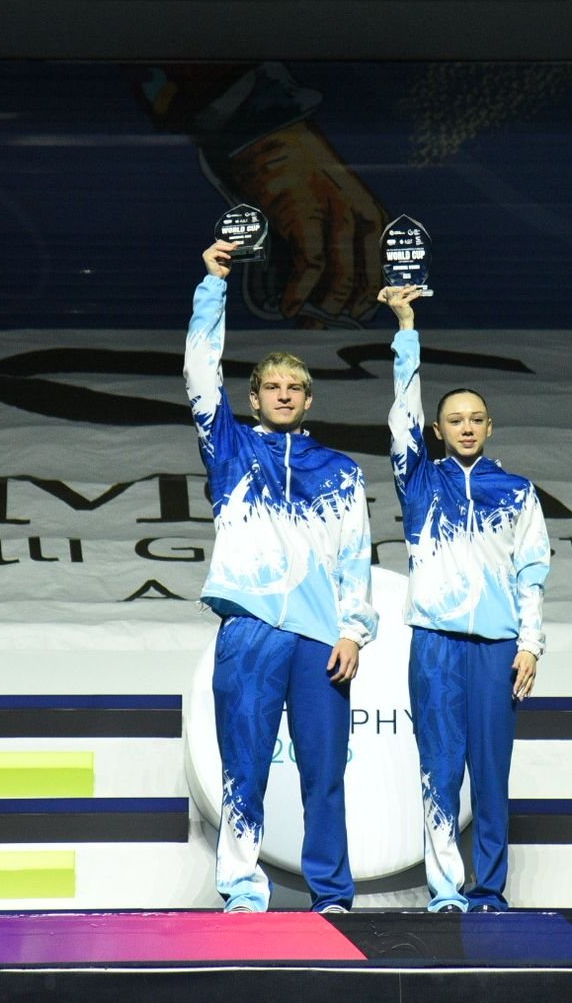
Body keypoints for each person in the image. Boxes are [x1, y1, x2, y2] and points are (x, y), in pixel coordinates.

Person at [185, 240, 377, 914]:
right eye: (273, 386)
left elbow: (356, 555)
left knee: (325, 775)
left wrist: (354, 630)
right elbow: (199, 374)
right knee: (245, 767)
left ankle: (333, 895)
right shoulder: (230, 448)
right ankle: (242, 889)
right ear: (255, 395)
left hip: (321, 639)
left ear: (309, 398)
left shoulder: (342, 471)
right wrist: (214, 285)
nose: (285, 394)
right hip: (251, 630)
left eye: (295, 387)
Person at [380, 283, 551, 913]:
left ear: (490, 426)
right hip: (435, 644)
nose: (467, 427)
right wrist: (406, 329)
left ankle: (491, 889)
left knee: (492, 775)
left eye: (476, 419)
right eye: (455, 420)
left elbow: (533, 570)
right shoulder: (419, 480)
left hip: (498, 647)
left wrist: (530, 643)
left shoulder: (518, 491)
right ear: (437, 429)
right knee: (441, 771)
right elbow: (400, 414)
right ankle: (446, 890)